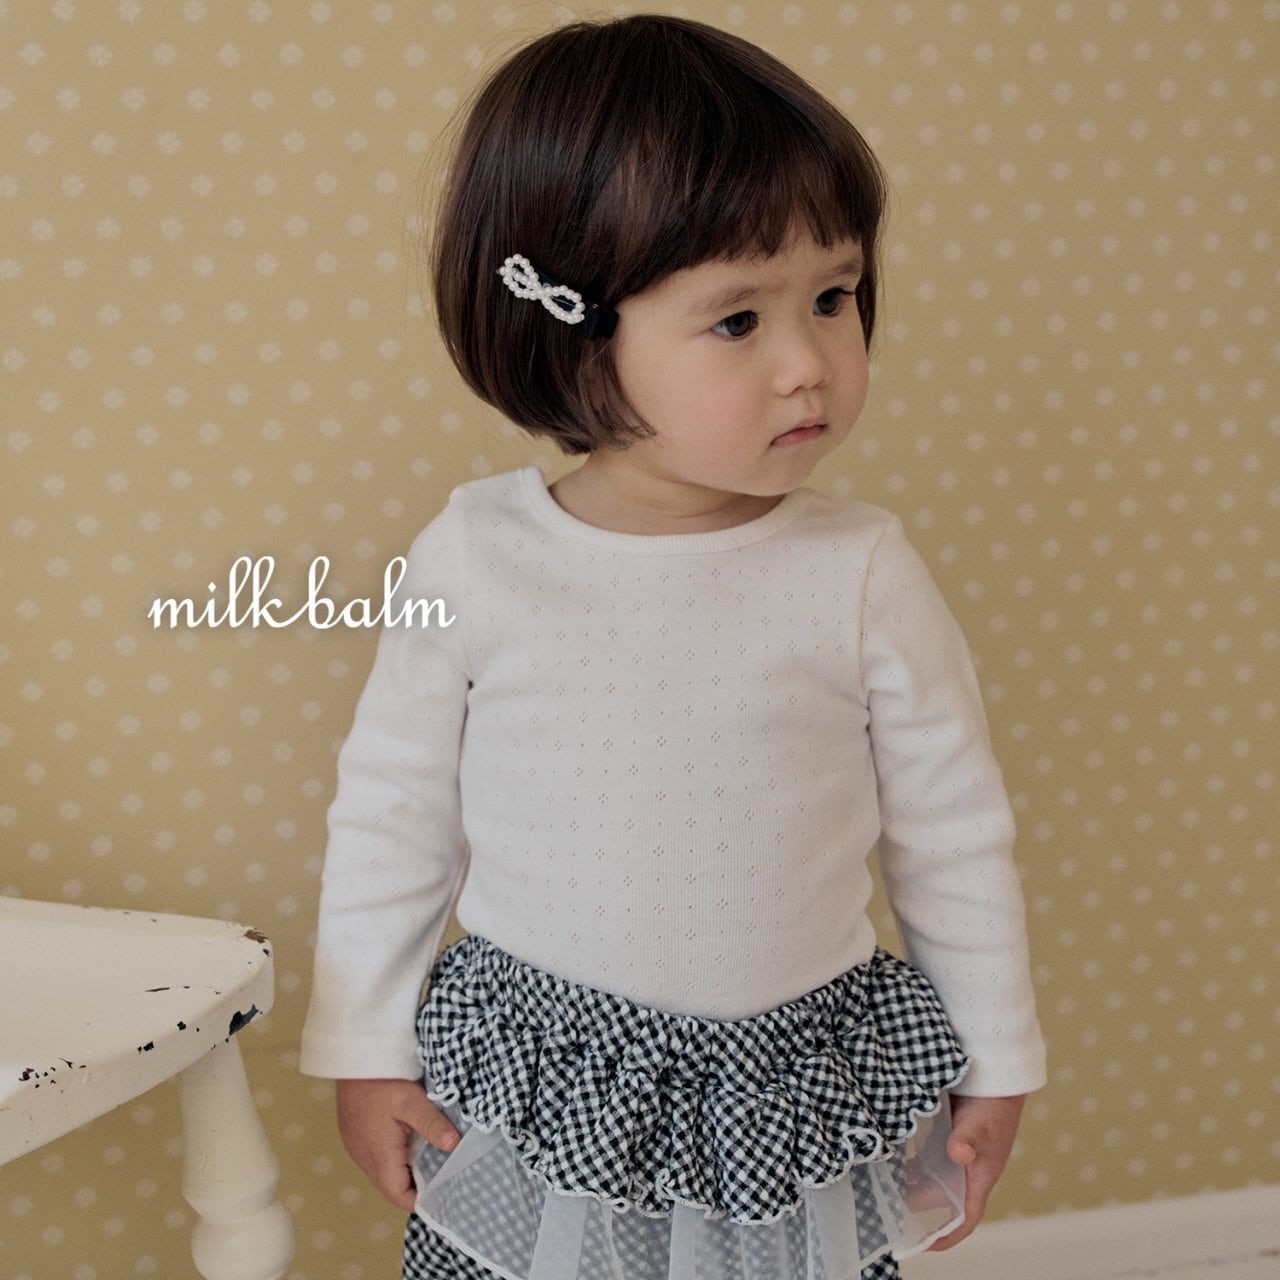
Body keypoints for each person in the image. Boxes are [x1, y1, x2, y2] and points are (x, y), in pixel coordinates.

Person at [300, 14, 1047, 1280]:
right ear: (572, 332)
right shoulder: (477, 555)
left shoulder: (861, 570)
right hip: (544, 1074)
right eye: (736, 320)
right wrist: (362, 1046)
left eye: (832, 297)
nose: (808, 364)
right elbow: (392, 815)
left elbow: (952, 834)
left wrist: (995, 1058)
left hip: (782, 1082)